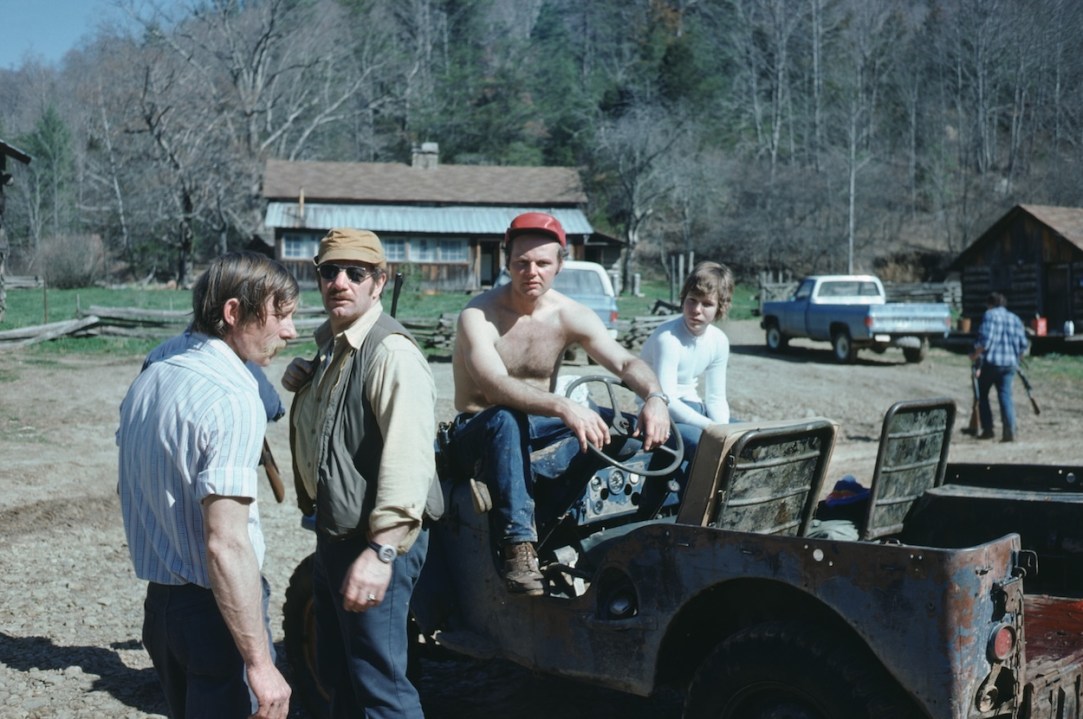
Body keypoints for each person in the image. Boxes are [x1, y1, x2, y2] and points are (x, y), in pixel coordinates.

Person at [449, 211, 671, 596]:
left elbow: (625, 362)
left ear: (560, 265)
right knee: (507, 418)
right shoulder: (478, 314)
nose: (531, 272)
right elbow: (495, 386)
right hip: (478, 432)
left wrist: (655, 397)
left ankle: (648, 530)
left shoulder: (569, 314)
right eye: (522, 262)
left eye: (542, 263)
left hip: (536, 426)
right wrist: (564, 406)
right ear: (506, 262)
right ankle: (518, 547)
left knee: (622, 428)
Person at [117, 251, 298, 719]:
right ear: (233, 312)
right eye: (280, 315)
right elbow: (226, 544)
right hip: (217, 616)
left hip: (162, 609)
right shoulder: (232, 397)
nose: (291, 332)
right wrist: (260, 663)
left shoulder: (152, 379)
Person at [284, 228, 441, 719]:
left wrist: (381, 552)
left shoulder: (390, 353)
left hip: (375, 541)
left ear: (380, 282)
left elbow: (409, 463)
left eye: (356, 273)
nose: (340, 282)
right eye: (330, 271)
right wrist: (304, 381)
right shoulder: (335, 346)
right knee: (340, 677)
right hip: (337, 535)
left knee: (380, 687)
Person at [640, 261, 734, 466]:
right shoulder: (668, 338)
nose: (697, 310)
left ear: (720, 307)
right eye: (692, 300)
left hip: (694, 408)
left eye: (707, 304)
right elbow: (666, 401)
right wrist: (711, 429)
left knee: (746, 440)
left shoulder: (718, 340)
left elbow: (716, 397)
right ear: (683, 299)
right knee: (706, 447)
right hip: (660, 413)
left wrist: (723, 430)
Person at [969, 292, 1029, 442]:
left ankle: (988, 429)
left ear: (990, 304)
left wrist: (974, 355)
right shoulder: (1014, 318)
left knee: (982, 395)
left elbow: (985, 341)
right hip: (1009, 364)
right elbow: (1023, 344)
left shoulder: (990, 315)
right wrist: (1017, 358)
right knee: (1005, 396)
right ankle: (1009, 431)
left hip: (991, 363)